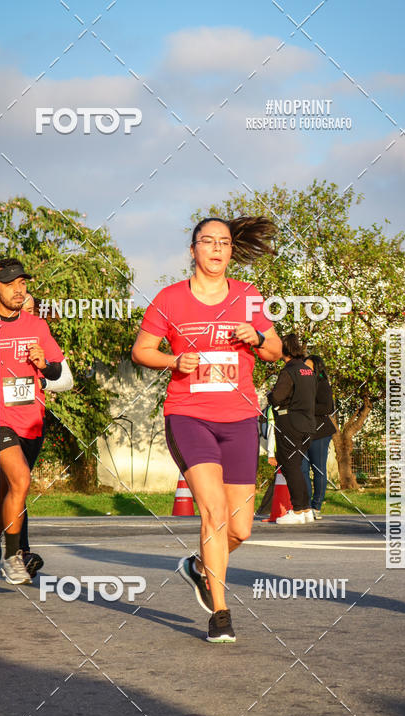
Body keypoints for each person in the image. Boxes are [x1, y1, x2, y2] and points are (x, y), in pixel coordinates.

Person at [132, 216, 282, 642]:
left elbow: (275, 350)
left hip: (240, 419)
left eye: (224, 243)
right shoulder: (170, 298)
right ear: (193, 248)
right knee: (214, 513)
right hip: (189, 415)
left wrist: (255, 336)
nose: (217, 249)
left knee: (241, 529)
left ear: (231, 251)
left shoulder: (249, 296)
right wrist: (172, 361)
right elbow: (142, 350)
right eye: (208, 242)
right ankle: (220, 613)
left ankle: (198, 566)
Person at [0, 258, 67, 589]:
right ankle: (13, 556)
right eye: (10, 284)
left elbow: (60, 375)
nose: (18, 289)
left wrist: (45, 365)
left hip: (31, 423)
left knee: (10, 491)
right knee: (20, 480)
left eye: (22, 283)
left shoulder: (37, 326)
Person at [17, 293, 73, 577]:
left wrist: (41, 378)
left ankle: (17, 554)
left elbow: (66, 379)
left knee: (18, 488)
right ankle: (16, 553)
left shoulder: (40, 336)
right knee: (9, 484)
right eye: (20, 308)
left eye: (30, 310)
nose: (24, 314)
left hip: (31, 423)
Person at [267, 333, 317, 525]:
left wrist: (271, 396)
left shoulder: (288, 371)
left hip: (290, 422)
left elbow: (277, 397)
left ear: (284, 350)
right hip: (308, 424)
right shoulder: (307, 371)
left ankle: (297, 510)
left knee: (290, 466)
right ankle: (306, 509)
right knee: (296, 466)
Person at [301, 354, 336, 520]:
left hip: (320, 432)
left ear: (316, 369)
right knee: (301, 470)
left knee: (318, 469)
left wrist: (306, 408)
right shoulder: (299, 382)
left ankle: (316, 506)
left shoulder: (322, 383)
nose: (305, 370)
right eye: (303, 367)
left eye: (308, 367)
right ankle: (306, 507)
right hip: (300, 432)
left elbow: (328, 407)